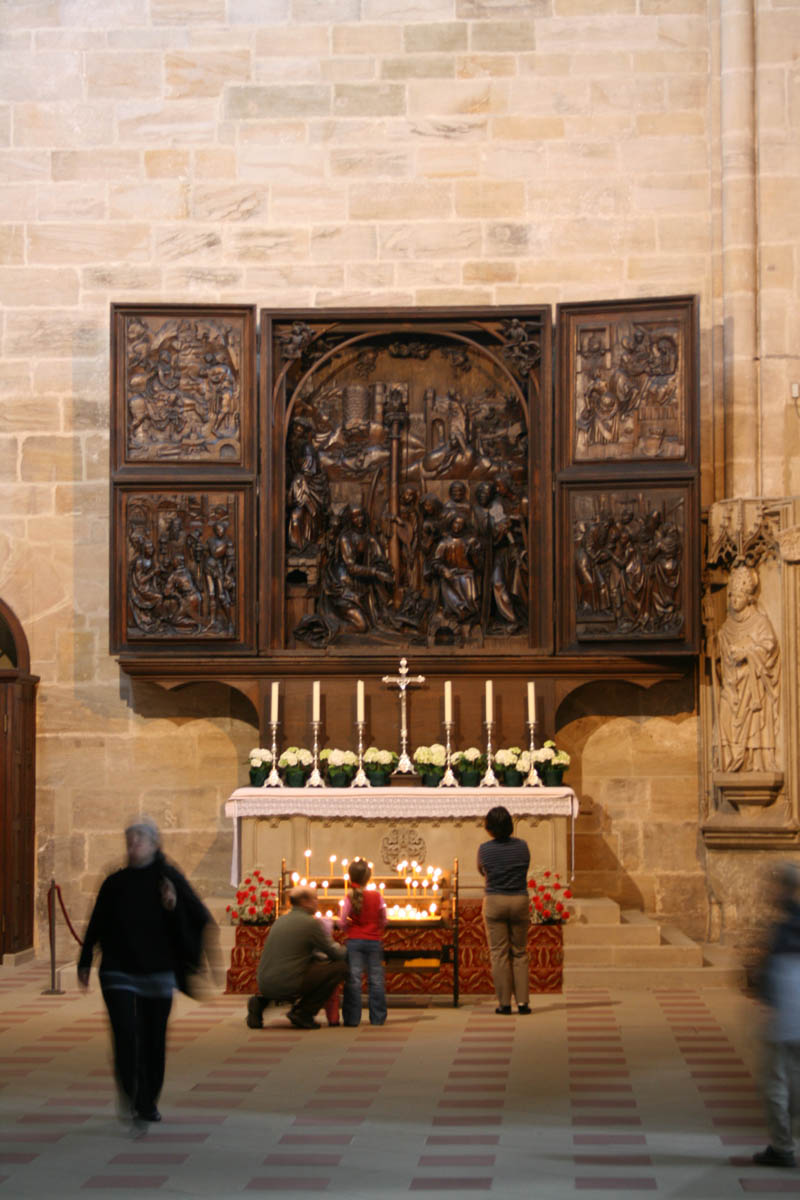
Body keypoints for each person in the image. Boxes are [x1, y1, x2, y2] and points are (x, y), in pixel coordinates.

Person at [77, 819, 215, 1126]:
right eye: (130, 841)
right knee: (125, 1036)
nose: (133, 846)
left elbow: (197, 917)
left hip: (157, 971)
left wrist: (173, 904)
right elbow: (97, 921)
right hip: (118, 971)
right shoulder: (115, 882)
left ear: (154, 845)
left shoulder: (168, 879)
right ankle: (130, 1092)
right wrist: (85, 960)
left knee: (154, 1039)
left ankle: (147, 1100)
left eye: (140, 840)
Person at [247, 886, 348, 1030]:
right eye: (314, 899)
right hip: (289, 982)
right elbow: (335, 953)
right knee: (340, 968)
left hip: (264, 983)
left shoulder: (280, 920)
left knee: (296, 970)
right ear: (304, 901)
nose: (317, 903)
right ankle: (304, 1013)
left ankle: (260, 1002)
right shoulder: (310, 923)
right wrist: (351, 950)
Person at [753, 862, 800, 1168]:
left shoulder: (781, 926)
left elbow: (763, 973)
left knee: (776, 1083)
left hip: (786, 1015)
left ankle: (782, 1147)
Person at [477, 805, 531, 1016]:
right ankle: (524, 1003)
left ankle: (504, 1004)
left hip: (495, 900)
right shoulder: (523, 846)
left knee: (499, 953)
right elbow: (524, 867)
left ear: (489, 828)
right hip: (518, 898)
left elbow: (482, 870)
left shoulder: (485, 849)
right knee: (519, 952)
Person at [340, 859, 388, 1027]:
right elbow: (384, 919)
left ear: (350, 875)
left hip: (354, 941)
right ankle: (378, 1018)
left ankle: (352, 1019)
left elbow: (342, 921)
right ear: (369, 877)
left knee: (354, 980)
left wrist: (349, 929)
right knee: (376, 980)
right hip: (374, 940)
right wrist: (377, 928)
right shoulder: (377, 896)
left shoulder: (349, 896)